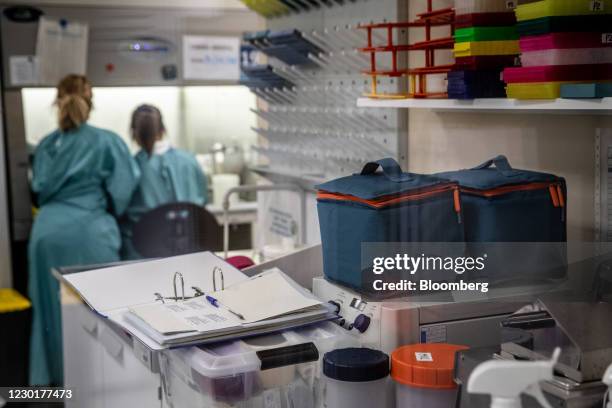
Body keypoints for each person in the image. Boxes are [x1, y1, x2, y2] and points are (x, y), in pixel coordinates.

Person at [28, 74, 140, 386]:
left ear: (57, 101)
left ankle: (54, 387)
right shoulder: (107, 141)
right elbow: (122, 191)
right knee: (99, 317)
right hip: (90, 233)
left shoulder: (47, 145)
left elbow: (38, 188)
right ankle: (99, 388)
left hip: (46, 235)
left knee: (50, 316)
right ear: (91, 103)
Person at [120, 104, 208, 260]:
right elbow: (202, 200)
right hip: (187, 252)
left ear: (133, 133)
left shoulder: (131, 166)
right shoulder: (189, 160)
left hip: (142, 257)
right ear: (163, 129)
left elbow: (119, 205)